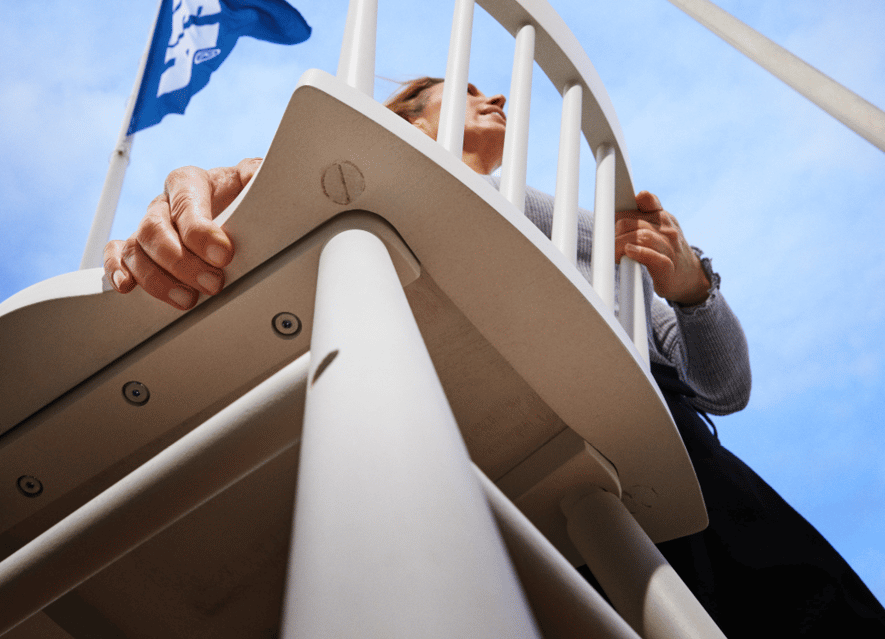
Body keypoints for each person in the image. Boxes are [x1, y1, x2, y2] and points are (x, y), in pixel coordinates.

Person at [103, 76, 885, 637]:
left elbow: (725, 386)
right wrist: (231, 178)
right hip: (454, 473)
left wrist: (691, 289)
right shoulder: (354, 184)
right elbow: (276, 181)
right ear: (405, 114)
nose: (502, 96)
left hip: (667, 462)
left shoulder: (579, 225)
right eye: (468, 87)